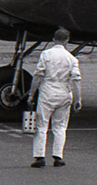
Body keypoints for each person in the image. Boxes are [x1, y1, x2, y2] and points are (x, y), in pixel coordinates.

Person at [27, 28, 81, 168]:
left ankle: (39, 156)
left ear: (53, 39)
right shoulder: (72, 58)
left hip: (47, 92)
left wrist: (31, 93)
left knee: (42, 125)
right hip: (64, 92)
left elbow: (38, 75)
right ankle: (58, 156)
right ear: (67, 40)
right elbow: (76, 79)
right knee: (60, 126)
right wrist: (78, 99)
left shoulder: (46, 55)